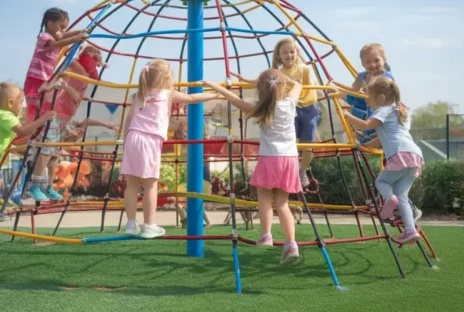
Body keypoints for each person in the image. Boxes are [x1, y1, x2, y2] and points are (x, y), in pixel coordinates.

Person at [204, 69, 303, 265]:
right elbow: (298, 85)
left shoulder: (261, 109)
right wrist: (285, 80)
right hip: (290, 159)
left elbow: (234, 100)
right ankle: (291, 244)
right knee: (282, 204)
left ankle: (266, 235)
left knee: (264, 199)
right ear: (282, 87)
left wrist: (216, 86)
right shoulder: (290, 104)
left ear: (261, 91)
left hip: (269, 159)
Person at [121, 59, 219, 239]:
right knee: (151, 184)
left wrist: (124, 140)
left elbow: (129, 118)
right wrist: (215, 94)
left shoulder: (139, 94)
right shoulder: (168, 93)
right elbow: (192, 98)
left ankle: (131, 223)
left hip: (132, 137)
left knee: (132, 185)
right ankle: (149, 225)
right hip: (150, 139)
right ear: (166, 79)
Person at [231, 37, 319, 190]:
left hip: (309, 107)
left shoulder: (304, 68)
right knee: (292, 141)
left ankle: (303, 170)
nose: (289, 55)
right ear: (279, 56)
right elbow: (265, 82)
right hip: (293, 108)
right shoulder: (278, 73)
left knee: (308, 145)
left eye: (292, 52)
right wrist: (245, 80)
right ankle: (293, 166)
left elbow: (307, 85)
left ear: (297, 53)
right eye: (285, 53)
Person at [344, 77, 423, 244]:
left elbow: (366, 125)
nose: (368, 103)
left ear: (380, 98)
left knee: (381, 182)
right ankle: (410, 230)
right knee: (402, 195)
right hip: (415, 156)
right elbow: (378, 140)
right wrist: (361, 146)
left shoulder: (384, 110)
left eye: (369, 99)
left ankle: (389, 199)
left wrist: (347, 116)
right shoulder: (398, 112)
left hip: (400, 154)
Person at [0, 82, 56, 229]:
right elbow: (23, 131)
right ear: (11, 103)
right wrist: (43, 119)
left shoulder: (3, 114)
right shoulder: (5, 116)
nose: (22, 106)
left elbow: (21, 128)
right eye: (21, 103)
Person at [22, 7, 88, 201]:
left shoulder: (57, 36)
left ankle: (48, 185)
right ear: (50, 24)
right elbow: (58, 42)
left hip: (46, 87)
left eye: (64, 27)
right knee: (45, 139)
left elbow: (64, 37)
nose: (62, 30)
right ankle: (35, 185)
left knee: (53, 145)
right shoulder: (44, 37)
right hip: (36, 86)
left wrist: (81, 32)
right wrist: (76, 37)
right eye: (60, 26)